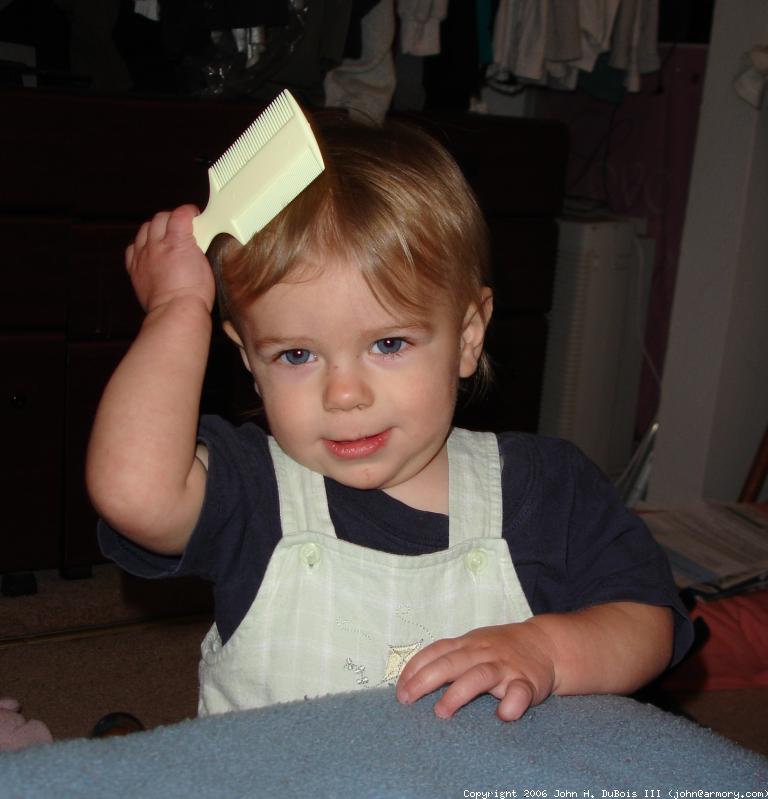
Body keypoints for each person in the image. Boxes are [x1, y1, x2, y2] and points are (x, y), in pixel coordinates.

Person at [87, 115, 692, 722]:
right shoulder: (251, 491)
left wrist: (546, 649)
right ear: (249, 360)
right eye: (296, 354)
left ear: (467, 336)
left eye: (389, 344)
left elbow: (646, 623)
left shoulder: (546, 488)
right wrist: (176, 309)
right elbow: (133, 492)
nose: (344, 394)